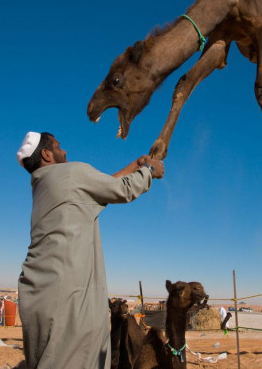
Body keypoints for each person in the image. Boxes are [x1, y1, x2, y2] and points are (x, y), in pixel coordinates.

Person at [16, 131, 164, 369]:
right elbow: (122, 190)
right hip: (69, 296)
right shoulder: (70, 173)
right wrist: (149, 172)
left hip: (38, 295)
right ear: (46, 154)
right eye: (58, 146)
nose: (64, 151)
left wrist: (136, 164)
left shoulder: (45, 185)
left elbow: (102, 188)